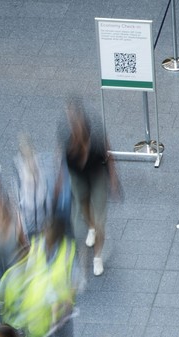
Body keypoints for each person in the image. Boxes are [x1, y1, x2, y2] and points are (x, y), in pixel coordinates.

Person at [64, 99, 117, 276]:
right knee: (83, 203)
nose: (72, 127)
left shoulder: (95, 137)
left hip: (97, 174)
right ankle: (91, 228)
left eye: (75, 123)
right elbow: (60, 156)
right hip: (77, 173)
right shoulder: (65, 135)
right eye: (70, 122)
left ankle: (97, 257)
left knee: (100, 218)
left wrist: (113, 178)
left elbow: (108, 153)